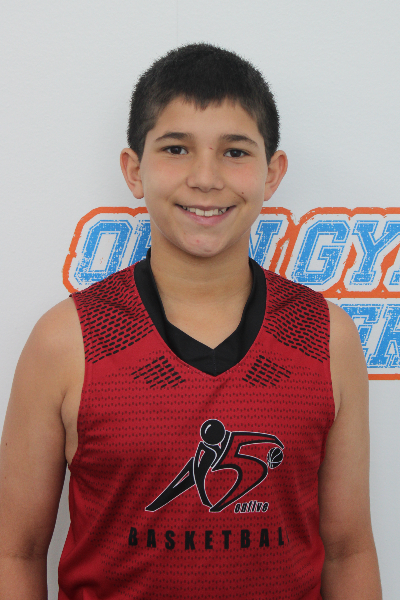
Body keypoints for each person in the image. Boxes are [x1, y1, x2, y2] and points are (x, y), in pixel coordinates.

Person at [0, 43, 382, 600]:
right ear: (134, 170)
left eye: (235, 151)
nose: (205, 177)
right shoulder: (66, 342)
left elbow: (349, 550)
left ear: (272, 173)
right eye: (176, 148)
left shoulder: (327, 337)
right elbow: (16, 550)